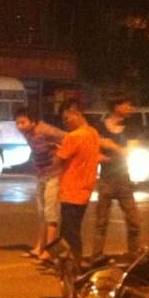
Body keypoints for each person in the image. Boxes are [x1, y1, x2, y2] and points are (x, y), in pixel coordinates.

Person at [90, 95, 142, 261]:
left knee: (134, 222)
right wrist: (103, 153)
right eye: (127, 105)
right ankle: (97, 257)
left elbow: (130, 152)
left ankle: (134, 255)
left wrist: (111, 146)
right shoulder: (100, 126)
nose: (130, 108)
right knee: (101, 222)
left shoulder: (131, 127)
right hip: (105, 179)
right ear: (116, 106)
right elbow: (94, 151)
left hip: (124, 180)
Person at [53, 99, 101, 272]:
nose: (65, 123)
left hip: (71, 190)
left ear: (76, 114)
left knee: (69, 232)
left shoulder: (73, 136)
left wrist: (56, 151)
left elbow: (57, 161)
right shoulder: (93, 133)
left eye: (66, 118)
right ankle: (65, 262)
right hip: (85, 189)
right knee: (72, 229)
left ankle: (74, 265)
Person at [14, 107, 67, 262]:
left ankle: (50, 251)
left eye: (22, 122)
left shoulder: (46, 130)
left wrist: (61, 154)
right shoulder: (28, 134)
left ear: (33, 121)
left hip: (54, 175)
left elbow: (70, 139)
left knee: (51, 213)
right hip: (41, 175)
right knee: (42, 212)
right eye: (17, 123)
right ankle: (40, 247)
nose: (19, 126)